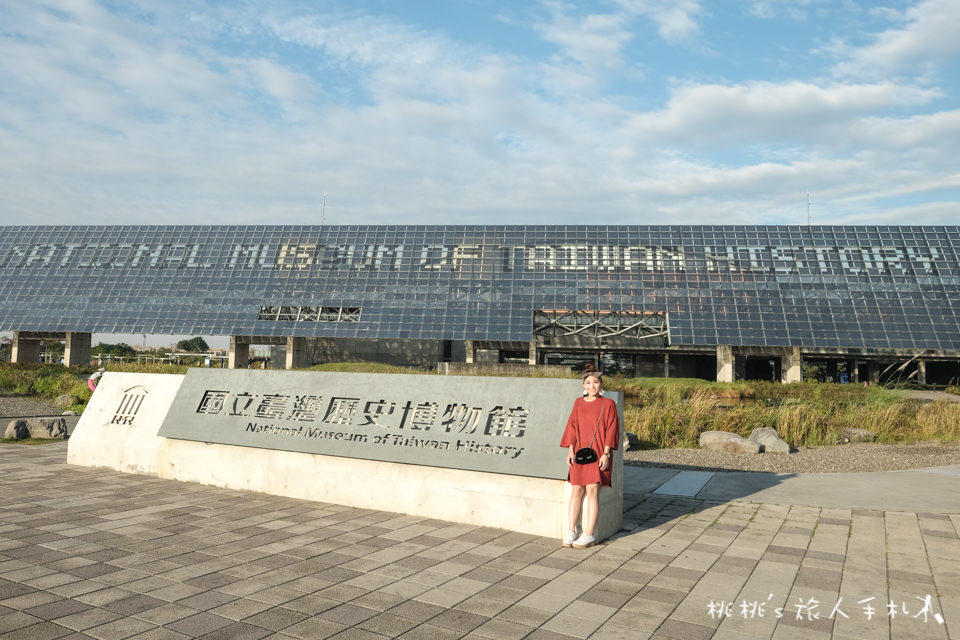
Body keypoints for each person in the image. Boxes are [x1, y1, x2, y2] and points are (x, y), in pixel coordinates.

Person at [560, 364, 619, 548]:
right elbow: (572, 426)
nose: (592, 386)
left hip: (598, 453)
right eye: (588, 383)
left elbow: (612, 429)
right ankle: (571, 531)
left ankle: (589, 534)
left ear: (601, 384)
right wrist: (570, 450)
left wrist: (606, 454)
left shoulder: (608, 404)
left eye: (595, 382)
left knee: (592, 491)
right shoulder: (578, 403)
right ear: (583, 385)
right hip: (579, 453)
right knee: (576, 491)